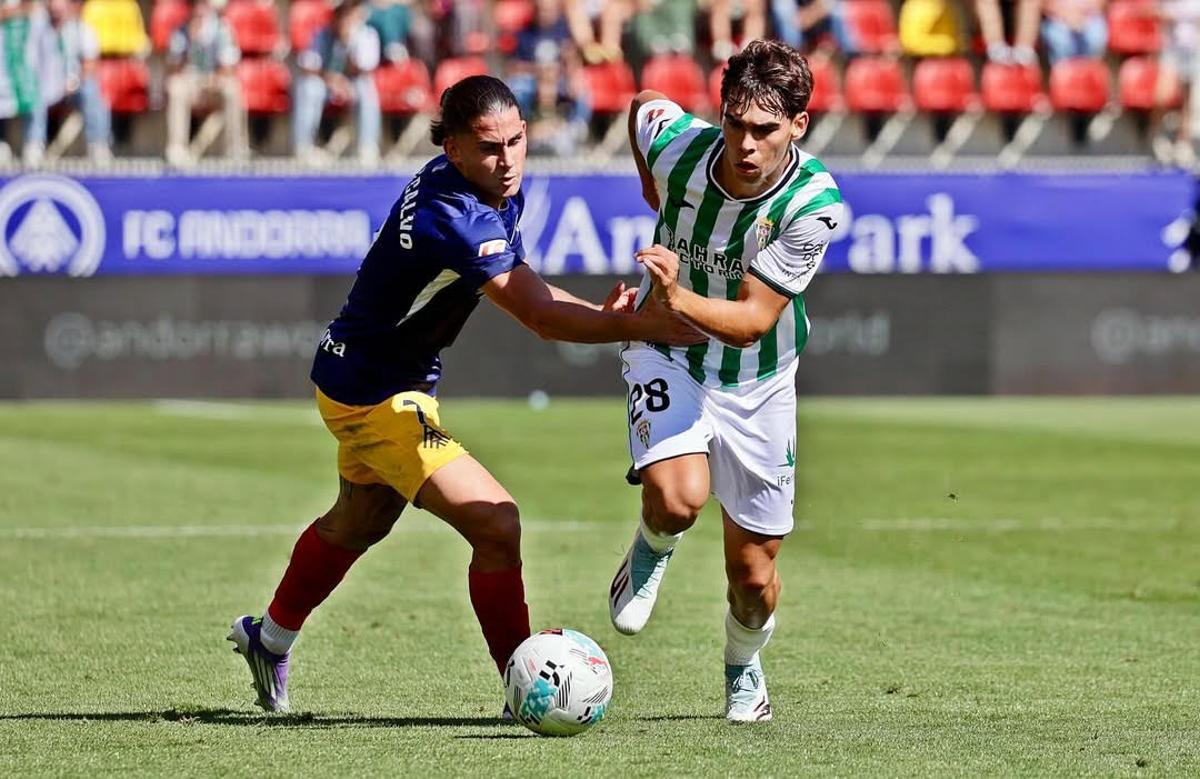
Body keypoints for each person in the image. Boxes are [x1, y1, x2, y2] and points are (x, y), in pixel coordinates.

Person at [228, 75, 702, 714]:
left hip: (384, 379)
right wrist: (640, 325)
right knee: (496, 522)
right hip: (373, 393)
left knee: (360, 521)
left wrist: (602, 315)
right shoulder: (453, 213)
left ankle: (268, 639)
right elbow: (538, 315)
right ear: (452, 148)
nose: (507, 160)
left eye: (517, 141)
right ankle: (524, 687)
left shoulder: (487, 186)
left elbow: (528, 286)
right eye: (489, 147)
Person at [606, 38, 843, 723]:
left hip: (758, 380)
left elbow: (751, 323)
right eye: (734, 123)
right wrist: (650, 185)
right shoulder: (680, 147)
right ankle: (651, 546)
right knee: (678, 498)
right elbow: (643, 104)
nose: (745, 144)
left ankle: (743, 664)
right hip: (668, 353)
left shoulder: (812, 203)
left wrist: (674, 297)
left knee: (754, 578)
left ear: (798, 125)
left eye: (764, 129)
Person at [294, 0, 381, 164]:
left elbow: (365, 68)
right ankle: (304, 148)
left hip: (352, 85)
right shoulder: (320, 34)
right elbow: (308, 66)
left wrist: (350, 44)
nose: (344, 20)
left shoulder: (366, 35)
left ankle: (367, 148)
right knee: (308, 87)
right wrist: (332, 79)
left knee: (366, 87)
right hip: (325, 85)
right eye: (341, 15)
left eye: (348, 15)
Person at [29, 0, 112, 165]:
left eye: (60, 9)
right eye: (53, 10)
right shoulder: (37, 30)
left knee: (91, 90)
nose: (56, 13)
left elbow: (90, 64)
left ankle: (98, 145)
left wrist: (73, 82)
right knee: (33, 94)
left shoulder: (82, 30)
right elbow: (30, 63)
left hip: (73, 85)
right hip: (43, 84)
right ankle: (34, 145)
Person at [164, 0, 247, 166]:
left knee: (232, 90)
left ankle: (234, 149)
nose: (199, 9)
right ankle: (177, 149)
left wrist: (214, 79)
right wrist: (190, 42)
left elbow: (229, 65)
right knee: (176, 88)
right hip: (190, 84)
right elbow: (173, 68)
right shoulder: (180, 31)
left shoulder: (222, 29)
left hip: (215, 82)